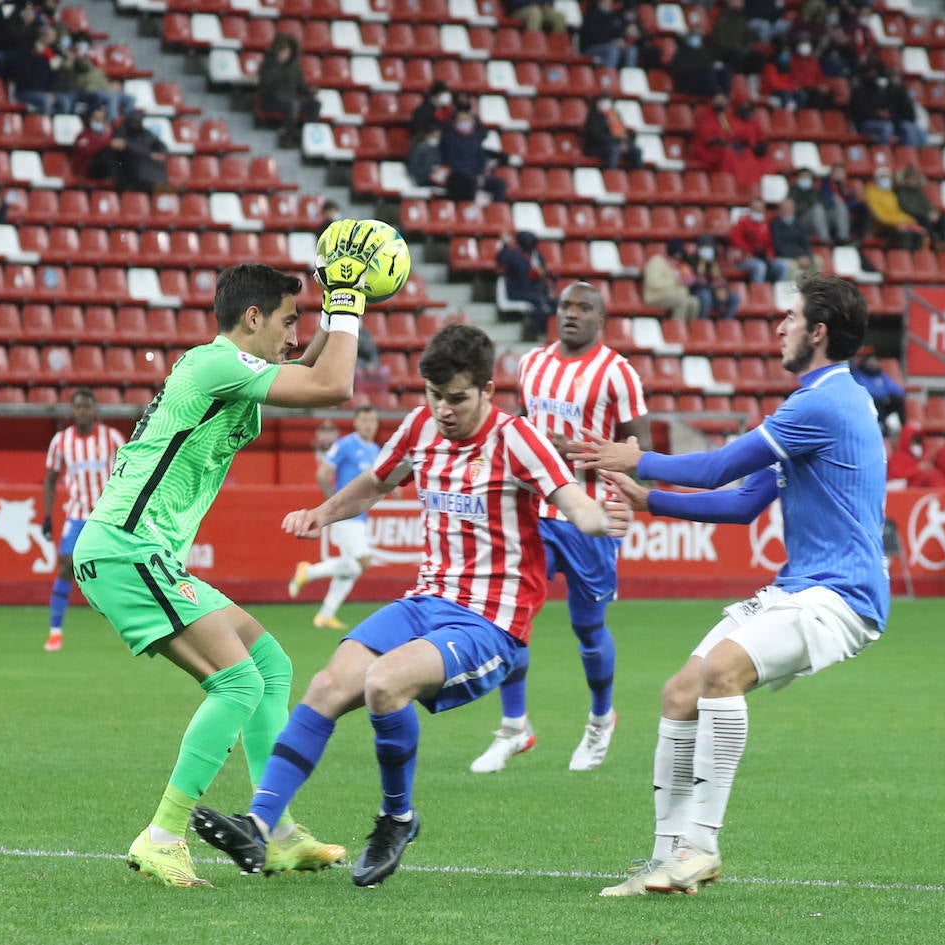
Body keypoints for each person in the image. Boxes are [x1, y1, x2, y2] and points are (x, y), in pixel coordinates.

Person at [189, 323, 631, 888]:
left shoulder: (518, 439)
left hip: (490, 619)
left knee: (382, 684)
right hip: (426, 600)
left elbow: (574, 503)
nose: (443, 410)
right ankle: (258, 823)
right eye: (433, 395)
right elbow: (375, 484)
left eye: (456, 399)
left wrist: (604, 520)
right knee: (326, 686)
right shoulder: (420, 428)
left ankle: (396, 819)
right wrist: (319, 514)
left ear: (488, 392)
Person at [71, 232, 383, 887]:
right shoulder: (215, 367)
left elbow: (311, 365)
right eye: (289, 321)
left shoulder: (223, 369)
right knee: (237, 682)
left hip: (140, 552)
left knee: (270, 663)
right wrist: (350, 301)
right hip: (129, 549)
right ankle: (162, 833)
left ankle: (276, 829)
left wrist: (331, 310)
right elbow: (332, 385)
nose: (298, 335)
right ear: (252, 319)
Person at [571, 273, 888, 896]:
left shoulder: (822, 403)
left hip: (840, 596)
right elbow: (743, 502)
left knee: (720, 673)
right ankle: (666, 859)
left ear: (818, 332)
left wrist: (634, 458)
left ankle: (701, 847)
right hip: (801, 586)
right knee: (681, 692)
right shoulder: (824, 405)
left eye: (791, 317)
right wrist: (651, 498)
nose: (780, 326)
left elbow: (719, 466)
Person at [470, 282, 650, 774]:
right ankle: (514, 727)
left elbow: (641, 455)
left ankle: (600, 718)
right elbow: (522, 434)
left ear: (601, 320)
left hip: (591, 519)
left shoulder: (619, 374)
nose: (571, 314)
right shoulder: (532, 365)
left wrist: (570, 451)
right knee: (510, 618)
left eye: (583, 308)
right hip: (536, 513)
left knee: (588, 630)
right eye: (565, 306)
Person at [40, 387, 126, 651]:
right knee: (67, 564)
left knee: (122, 569)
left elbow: (129, 471)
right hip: (77, 514)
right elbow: (51, 479)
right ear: (72, 411)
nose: (83, 411)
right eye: (78, 407)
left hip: (108, 514)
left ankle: (128, 626)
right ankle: (55, 631)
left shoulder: (111, 438)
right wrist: (46, 517)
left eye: (88, 406)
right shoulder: (61, 441)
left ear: (95, 410)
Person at [288, 404, 382, 629]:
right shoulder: (345, 445)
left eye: (372, 421)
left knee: (351, 568)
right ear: (356, 423)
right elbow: (322, 473)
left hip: (360, 516)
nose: (369, 425)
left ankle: (325, 615)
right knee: (363, 563)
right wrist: (334, 506)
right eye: (364, 420)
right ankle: (308, 571)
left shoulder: (376, 450)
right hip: (346, 516)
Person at [497, 231, 556, 342]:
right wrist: (505, 245)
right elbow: (500, 260)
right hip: (517, 291)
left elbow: (543, 274)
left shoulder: (537, 255)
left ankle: (556, 334)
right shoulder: (513, 255)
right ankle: (539, 334)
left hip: (535, 290)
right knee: (539, 302)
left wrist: (549, 289)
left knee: (556, 301)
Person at [256, 33, 319, 132]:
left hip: (291, 97)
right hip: (272, 100)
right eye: (283, 50)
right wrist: (277, 64)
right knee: (293, 104)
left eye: (288, 51)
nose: (286, 53)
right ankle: (289, 133)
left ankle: (309, 133)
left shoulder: (294, 67)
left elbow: (301, 86)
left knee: (315, 104)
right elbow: (265, 85)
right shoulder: (268, 65)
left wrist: (309, 91)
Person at [642, 238, 702, 322]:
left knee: (695, 302)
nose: (677, 258)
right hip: (655, 296)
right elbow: (653, 283)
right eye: (676, 255)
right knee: (682, 301)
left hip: (674, 295)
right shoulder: (656, 261)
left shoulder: (679, 265)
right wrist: (675, 282)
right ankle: (677, 330)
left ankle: (688, 330)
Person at [851, 348, 905, 435]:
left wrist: (887, 397)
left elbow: (897, 389)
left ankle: (903, 428)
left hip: (885, 403)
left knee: (898, 399)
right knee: (876, 401)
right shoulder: (860, 375)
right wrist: (885, 396)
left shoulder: (881, 376)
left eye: (875, 361)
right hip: (870, 406)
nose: (874, 363)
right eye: (871, 361)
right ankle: (882, 428)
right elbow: (868, 391)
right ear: (865, 362)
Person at [583, 93, 642, 171]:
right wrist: (617, 142)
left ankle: (636, 177)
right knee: (613, 150)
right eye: (603, 101)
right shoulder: (593, 117)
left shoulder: (614, 115)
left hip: (616, 145)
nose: (606, 104)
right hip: (597, 147)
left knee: (636, 151)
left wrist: (625, 143)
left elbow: (623, 132)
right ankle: (611, 177)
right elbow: (596, 137)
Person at [887, 422, 945, 489]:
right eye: (914, 441)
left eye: (919, 441)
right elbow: (897, 479)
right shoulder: (898, 458)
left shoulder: (923, 457)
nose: (917, 445)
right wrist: (918, 468)